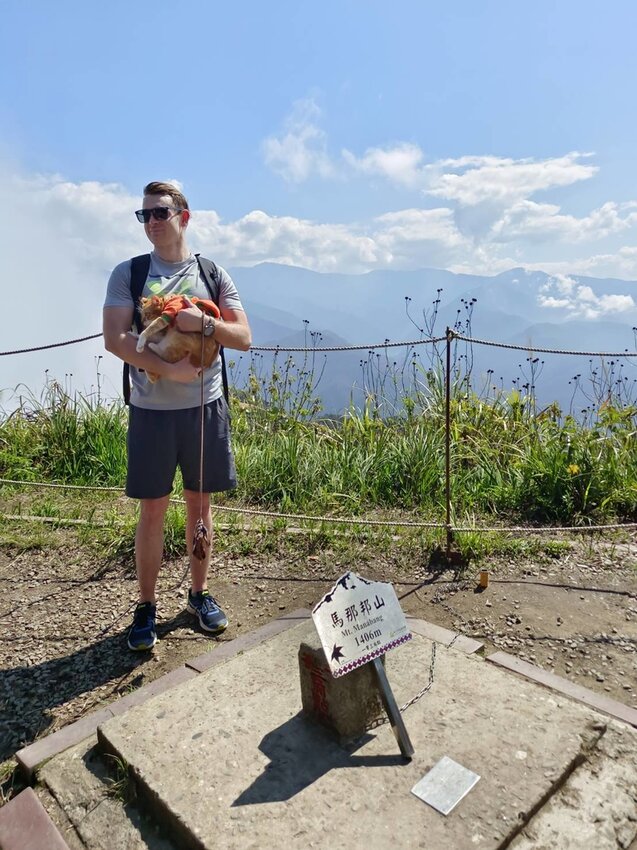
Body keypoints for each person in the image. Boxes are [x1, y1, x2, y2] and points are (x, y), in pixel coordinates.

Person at [103, 181, 251, 650]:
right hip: (151, 411)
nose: (150, 222)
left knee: (200, 508)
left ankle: (198, 595)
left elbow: (242, 336)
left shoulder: (212, 273)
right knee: (152, 512)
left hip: (205, 411)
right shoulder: (128, 274)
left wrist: (202, 324)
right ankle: (146, 607)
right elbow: (115, 339)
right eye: (143, 215)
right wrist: (169, 369)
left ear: (184, 216)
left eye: (159, 213)